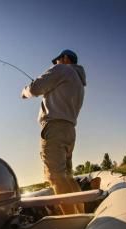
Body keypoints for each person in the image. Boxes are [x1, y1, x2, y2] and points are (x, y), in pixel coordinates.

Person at [21, 49, 86, 214]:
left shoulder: (62, 69)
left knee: (55, 177)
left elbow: (35, 88)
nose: (55, 64)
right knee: (68, 177)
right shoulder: (79, 82)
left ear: (64, 58)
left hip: (55, 130)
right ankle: (82, 214)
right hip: (70, 131)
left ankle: (73, 224)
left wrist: (24, 92)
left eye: (56, 60)